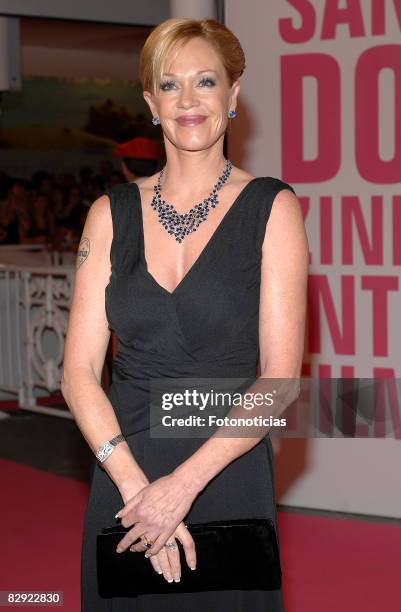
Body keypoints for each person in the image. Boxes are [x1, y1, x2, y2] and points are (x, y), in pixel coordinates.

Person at [61, 17, 309, 612]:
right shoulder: (108, 214)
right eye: (170, 86)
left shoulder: (271, 210)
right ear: (151, 103)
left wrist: (181, 488)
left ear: (233, 95)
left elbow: (278, 381)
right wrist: (138, 490)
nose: (189, 100)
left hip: (225, 473)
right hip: (124, 475)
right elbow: (78, 374)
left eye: (206, 81)